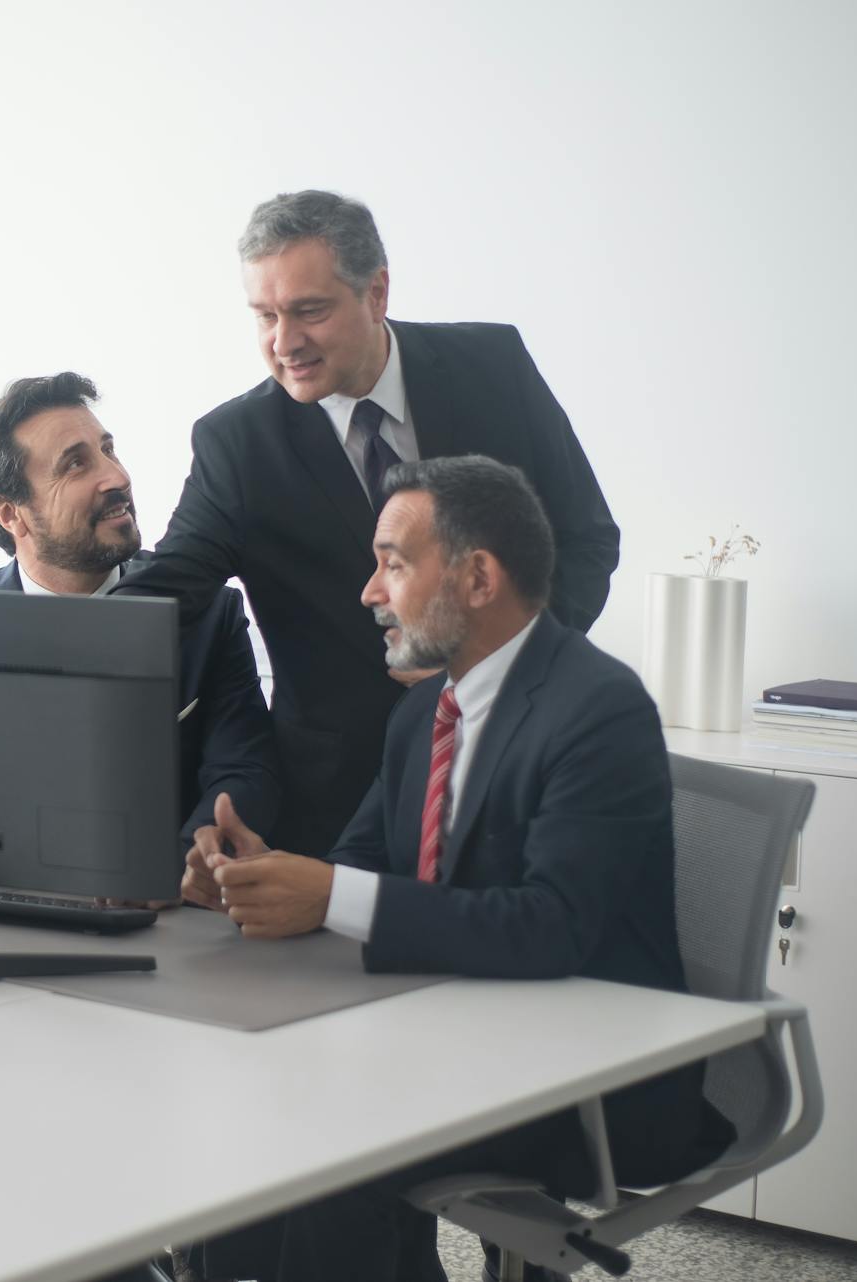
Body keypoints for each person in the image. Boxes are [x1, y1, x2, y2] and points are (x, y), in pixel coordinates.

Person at [178, 455, 732, 1282]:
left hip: (583, 1075)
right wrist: (262, 879)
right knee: (260, 1092)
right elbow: (360, 866)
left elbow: (552, 927)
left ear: (478, 578)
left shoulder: (597, 709)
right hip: (448, 1032)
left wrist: (329, 892)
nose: (370, 591)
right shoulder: (421, 714)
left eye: (393, 565)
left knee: (330, 1138)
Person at [120, 190, 620, 853]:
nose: (283, 343)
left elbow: (586, 539)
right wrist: (40, 628)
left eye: (309, 312)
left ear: (377, 292)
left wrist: (501, 656)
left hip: (514, 767)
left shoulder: (494, 368)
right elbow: (169, 589)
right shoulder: (237, 444)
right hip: (335, 807)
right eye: (264, 316)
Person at [0, 371, 281, 857]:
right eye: (76, 464)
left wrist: (173, 867)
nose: (117, 477)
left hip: (168, 906)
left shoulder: (206, 610)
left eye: (109, 450)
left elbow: (244, 767)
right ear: (9, 513)